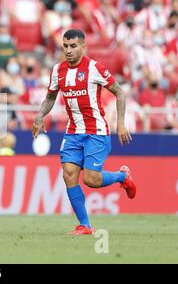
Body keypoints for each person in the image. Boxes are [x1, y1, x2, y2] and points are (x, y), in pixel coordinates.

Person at [32, 29, 136, 235]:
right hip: (72, 132)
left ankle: (122, 176)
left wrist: (121, 122)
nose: (68, 51)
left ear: (83, 47)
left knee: (91, 179)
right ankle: (85, 225)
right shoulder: (57, 71)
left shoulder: (94, 68)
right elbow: (51, 98)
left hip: (96, 131)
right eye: (65, 46)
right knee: (69, 174)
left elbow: (119, 92)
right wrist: (39, 115)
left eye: (73, 46)